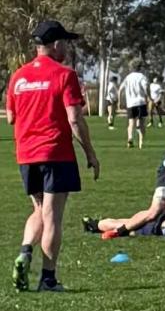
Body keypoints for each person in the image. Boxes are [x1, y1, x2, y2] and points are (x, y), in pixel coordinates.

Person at [7, 21, 99, 293]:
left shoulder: (18, 77)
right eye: (66, 43)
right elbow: (74, 118)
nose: (68, 48)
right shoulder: (64, 75)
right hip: (55, 152)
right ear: (56, 43)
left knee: (38, 209)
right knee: (53, 216)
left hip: (26, 154)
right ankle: (48, 279)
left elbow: (11, 117)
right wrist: (90, 153)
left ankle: (25, 251)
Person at [121, 63, 149, 149]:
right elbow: (146, 88)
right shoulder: (142, 77)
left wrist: (119, 100)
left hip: (130, 103)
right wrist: (149, 97)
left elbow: (120, 89)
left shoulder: (128, 77)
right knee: (141, 123)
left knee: (131, 123)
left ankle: (130, 138)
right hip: (140, 102)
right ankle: (141, 142)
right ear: (140, 68)